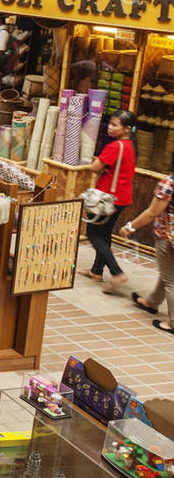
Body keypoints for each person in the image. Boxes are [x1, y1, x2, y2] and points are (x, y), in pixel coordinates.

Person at [83, 111, 137, 293]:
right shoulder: (131, 145)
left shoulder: (115, 146)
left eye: (115, 125)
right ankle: (97, 271)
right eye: (110, 124)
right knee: (104, 234)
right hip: (122, 197)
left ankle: (117, 272)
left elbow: (94, 168)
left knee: (93, 234)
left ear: (127, 129)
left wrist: (100, 165)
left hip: (107, 198)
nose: (110, 127)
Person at [121, 155, 174, 332]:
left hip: (168, 238)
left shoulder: (169, 183)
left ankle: (172, 322)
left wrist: (130, 226)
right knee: (167, 272)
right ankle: (151, 302)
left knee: (171, 280)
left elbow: (153, 212)